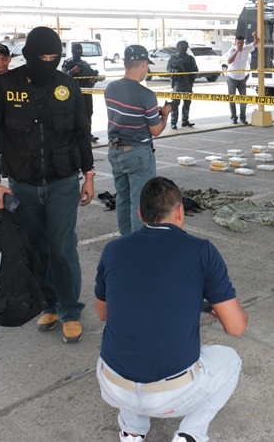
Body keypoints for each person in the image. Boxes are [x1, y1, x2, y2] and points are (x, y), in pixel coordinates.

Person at [95, 176, 248, 442]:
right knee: (230, 359)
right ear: (179, 211)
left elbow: (103, 313)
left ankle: (132, 430)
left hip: (113, 387)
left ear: (140, 214)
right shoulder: (201, 251)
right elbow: (236, 327)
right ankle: (190, 434)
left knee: (125, 343)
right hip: (173, 395)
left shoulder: (113, 249)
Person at [0, 26, 95, 344]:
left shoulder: (67, 86)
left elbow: (81, 133)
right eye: (42, 57)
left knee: (62, 248)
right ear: (28, 55)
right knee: (37, 250)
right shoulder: (6, 86)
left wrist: (89, 175)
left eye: (54, 57)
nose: (48, 62)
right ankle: (50, 304)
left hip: (63, 183)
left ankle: (70, 310)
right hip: (23, 185)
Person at [105, 45, 171, 236]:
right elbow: (156, 130)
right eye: (147, 66)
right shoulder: (146, 95)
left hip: (115, 151)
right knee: (140, 202)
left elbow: (125, 113)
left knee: (123, 199)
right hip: (138, 154)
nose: (146, 70)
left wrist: (149, 112)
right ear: (143, 64)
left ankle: (126, 241)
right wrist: (165, 114)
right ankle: (139, 246)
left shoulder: (111, 88)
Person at [63, 42, 101, 141]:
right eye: (77, 50)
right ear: (72, 51)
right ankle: (73, 134)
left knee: (88, 112)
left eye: (80, 50)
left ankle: (87, 134)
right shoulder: (68, 63)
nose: (79, 52)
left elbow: (90, 79)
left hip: (86, 92)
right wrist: (73, 71)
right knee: (73, 113)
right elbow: (63, 78)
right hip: (72, 93)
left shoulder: (85, 64)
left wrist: (92, 81)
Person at [225, 32, 259, 124]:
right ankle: (233, 117)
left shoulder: (246, 49)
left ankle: (243, 117)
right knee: (232, 98)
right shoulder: (232, 50)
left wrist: (255, 36)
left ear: (244, 42)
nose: (240, 44)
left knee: (243, 99)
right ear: (235, 42)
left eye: (241, 42)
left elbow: (255, 43)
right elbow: (229, 61)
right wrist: (237, 51)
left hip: (242, 78)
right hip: (232, 77)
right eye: (238, 43)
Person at [167, 40, 198, 129]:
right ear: (177, 48)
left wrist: (191, 78)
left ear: (187, 48)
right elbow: (168, 69)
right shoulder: (173, 58)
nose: (183, 48)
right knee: (175, 103)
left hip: (188, 84)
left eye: (184, 47)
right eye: (181, 47)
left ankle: (185, 121)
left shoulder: (190, 59)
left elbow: (195, 71)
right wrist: (175, 72)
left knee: (187, 104)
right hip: (177, 84)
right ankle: (173, 122)